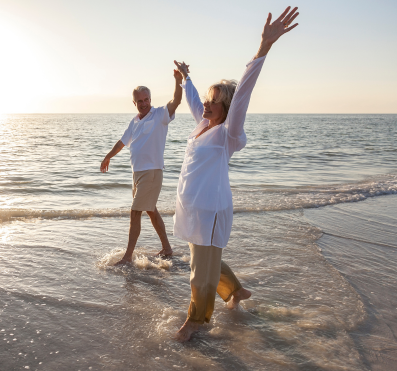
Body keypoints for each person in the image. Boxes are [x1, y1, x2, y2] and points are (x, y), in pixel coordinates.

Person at [172, 7, 300, 342]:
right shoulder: (202, 126)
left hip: (211, 209)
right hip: (194, 209)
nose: (206, 104)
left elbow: (242, 94)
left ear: (227, 107)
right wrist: (186, 78)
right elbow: (193, 100)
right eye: (208, 100)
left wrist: (263, 48)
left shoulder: (228, 133)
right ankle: (236, 291)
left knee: (200, 270)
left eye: (214, 101)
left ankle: (196, 321)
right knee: (204, 259)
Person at [99, 69, 182, 265]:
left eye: (146, 99)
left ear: (150, 99)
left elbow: (176, 101)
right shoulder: (134, 121)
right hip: (137, 174)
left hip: (152, 172)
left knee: (135, 212)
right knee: (151, 211)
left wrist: (178, 81)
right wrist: (107, 157)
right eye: (140, 101)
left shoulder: (160, 115)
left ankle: (127, 257)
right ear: (134, 103)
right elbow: (122, 142)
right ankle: (167, 249)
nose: (144, 103)